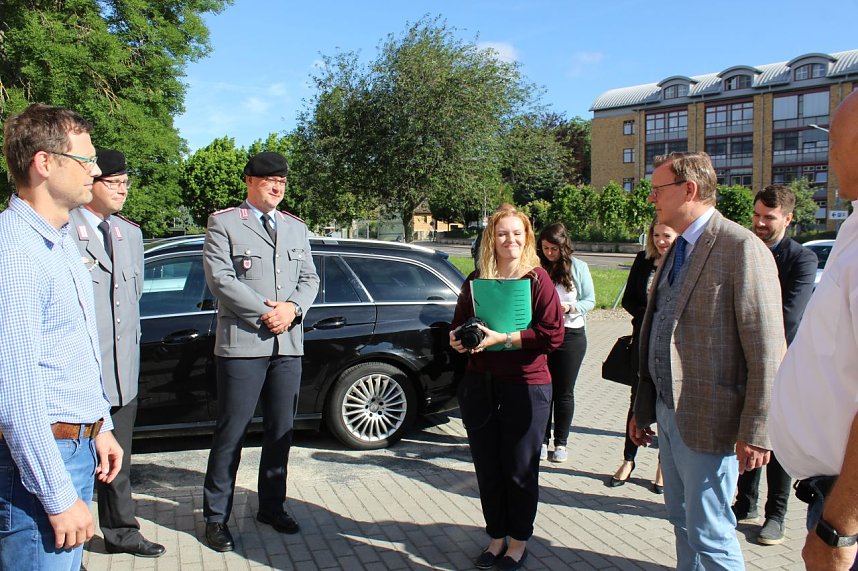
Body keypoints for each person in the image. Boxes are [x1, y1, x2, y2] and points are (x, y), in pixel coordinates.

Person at [629, 151, 784, 570]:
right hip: (669, 412)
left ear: (689, 189)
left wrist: (757, 430)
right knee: (682, 522)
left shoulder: (740, 248)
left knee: (712, 533)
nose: (651, 199)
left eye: (657, 189)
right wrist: (644, 408)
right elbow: (658, 328)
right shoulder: (677, 247)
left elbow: (768, 349)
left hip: (712, 422)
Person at [0, 103, 122, 570]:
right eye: (85, 160)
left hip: (74, 447)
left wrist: (100, 426)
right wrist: (56, 495)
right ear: (45, 163)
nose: (95, 170)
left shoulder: (61, 239)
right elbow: (15, 392)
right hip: (37, 467)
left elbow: (74, 353)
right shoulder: (16, 251)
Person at [201, 151, 319, 552]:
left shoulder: (295, 228)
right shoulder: (225, 223)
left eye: (283, 182)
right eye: (270, 180)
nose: (277, 187)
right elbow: (221, 280)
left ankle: (272, 505)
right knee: (231, 433)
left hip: (288, 344)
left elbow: (309, 278)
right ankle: (216, 517)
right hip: (243, 345)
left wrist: (294, 310)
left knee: (280, 432)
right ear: (250, 181)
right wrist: (269, 312)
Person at [770, 90, 858, 571]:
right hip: (832, 489)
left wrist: (837, 526)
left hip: (845, 506)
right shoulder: (853, 226)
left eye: (837, 141)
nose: (829, 155)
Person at [450, 207, 564, 571]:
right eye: (502, 234)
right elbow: (456, 326)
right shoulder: (476, 279)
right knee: (487, 466)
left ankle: (518, 542)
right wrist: (456, 339)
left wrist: (506, 338)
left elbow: (553, 334)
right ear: (491, 239)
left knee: (519, 469)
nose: (509, 240)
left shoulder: (538, 280)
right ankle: (495, 537)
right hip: (481, 384)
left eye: (517, 233)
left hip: (526, 386)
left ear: (527, 237)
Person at [68, 149, 166, 558]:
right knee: (69, 468)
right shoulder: (63, 228)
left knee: (118, 463)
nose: (123, 189)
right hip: (78, 374)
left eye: (126, 182)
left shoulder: (130, 234)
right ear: (91, 181)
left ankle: (121, 532)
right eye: (114, 182)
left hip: (121, 375)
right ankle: (67, 550)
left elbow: (133, 298)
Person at [732, 185, 817, 546]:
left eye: (769, 217)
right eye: (756, 216)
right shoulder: (745, 250)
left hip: (783, 367)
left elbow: (789, 318)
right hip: (743, 362)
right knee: (747, 432)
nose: (760, 223)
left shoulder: (801, 260)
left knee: (776, 441)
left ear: (788, 218)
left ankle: (776, 514)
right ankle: (745, 502)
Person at [609, 220, 676, 491]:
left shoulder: (685, 261)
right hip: (642, 340)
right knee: (637, 399)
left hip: (671, 345)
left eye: (667, 235)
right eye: (656, 235)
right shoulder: (643, 259)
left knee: (666, 402)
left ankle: (663, 465)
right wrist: (649, 316)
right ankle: (628, 459)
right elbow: (628, 299)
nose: (661, 241)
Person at [536, 222, 594, 463]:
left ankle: (561, 442)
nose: (550, 253)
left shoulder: (578, 267)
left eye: (554, 249)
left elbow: (590, 301)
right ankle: (541, 440)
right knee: (542, 390)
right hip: (542, 335)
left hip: (571, 335)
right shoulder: (537, 268)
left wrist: (570, 307)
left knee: (563, 392)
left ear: (564, 247)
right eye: (546, 248)